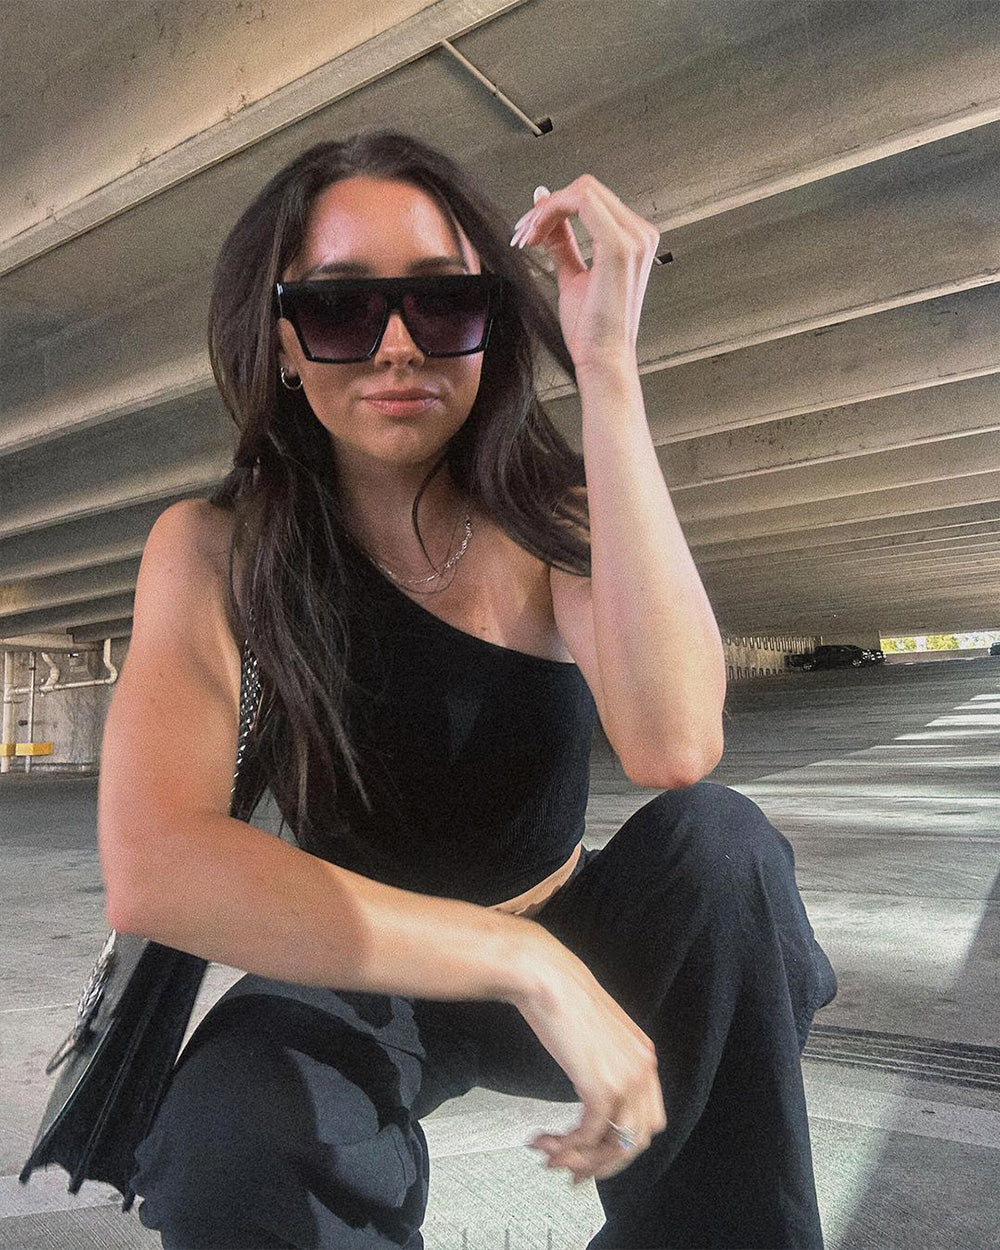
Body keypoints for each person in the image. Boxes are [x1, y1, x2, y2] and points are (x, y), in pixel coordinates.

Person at [98, 129, 837, 1249]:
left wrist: (607, 369)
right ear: (285, 342)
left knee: (723, 848)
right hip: (359, 955)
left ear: (490, 324)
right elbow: (157, 865)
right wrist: (518, 963)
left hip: (577, 929)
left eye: (443, 303)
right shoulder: (217, 547)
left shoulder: (548, 515)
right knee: (230, 1135)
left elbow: (676, 742)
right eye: (341, 309)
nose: (398, 346)